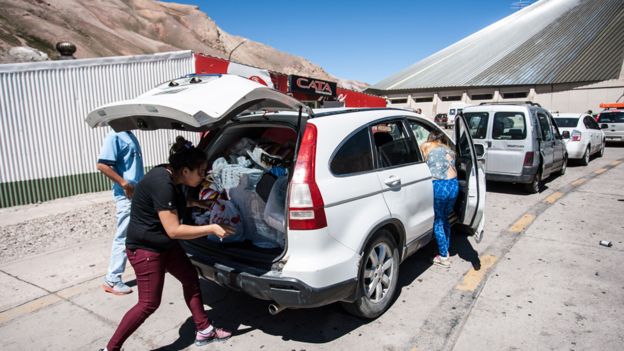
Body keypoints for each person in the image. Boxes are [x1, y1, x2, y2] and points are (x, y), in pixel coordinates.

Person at [101, 146, 235, 351]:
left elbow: (177, 203)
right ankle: (111, 349)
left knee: (190, 277)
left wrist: (200, 204)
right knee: (148, 303)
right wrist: (213, 228)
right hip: (146, 250)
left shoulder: (171, 175)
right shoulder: (162, 183)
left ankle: (204, 330)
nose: (203, 176)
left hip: (164, 245)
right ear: (186, 171)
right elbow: (173, 229)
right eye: (200, 172)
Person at [97, 130, 144, 295]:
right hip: (127, 196)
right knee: (123, 236)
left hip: (136, 194)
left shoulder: (129, 135)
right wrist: (124, 183)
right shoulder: (114, 136)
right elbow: (102, 165)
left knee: (138, 233)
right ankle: (112, 279)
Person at [420, 130, 458, 268]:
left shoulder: (427, 146)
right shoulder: (449, 150)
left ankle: (443, 257)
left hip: (440, 184)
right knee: (445, 218)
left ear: (430, 139)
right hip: (453, 184)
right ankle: (445, 250)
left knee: (438, 221)